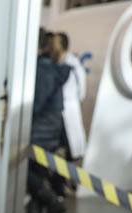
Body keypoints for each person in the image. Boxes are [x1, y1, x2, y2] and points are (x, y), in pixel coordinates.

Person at [25, 29, 71, 213]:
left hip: (40, 131)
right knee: (35, 170)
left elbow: (35, 104)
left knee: (24, 169)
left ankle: (51, 201)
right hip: (50, 129)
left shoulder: (42, 69)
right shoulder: (51, 69)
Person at [56, 33, 87, 161]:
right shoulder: (57, 61)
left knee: (72, 138)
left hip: (70, 104)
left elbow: (82, 85)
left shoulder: (73, 63)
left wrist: (77, 98)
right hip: (61, 106)